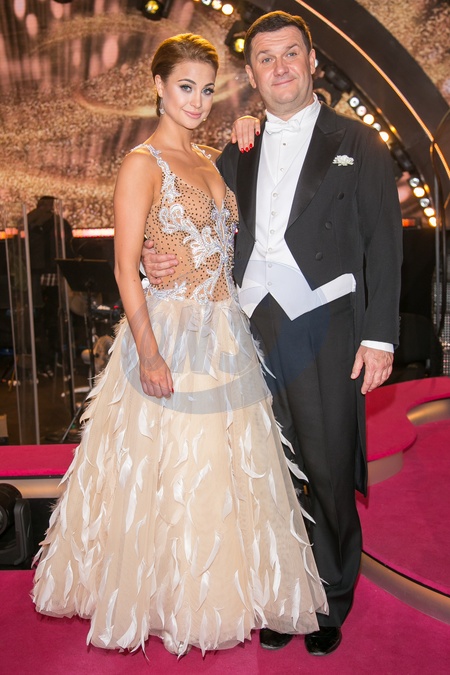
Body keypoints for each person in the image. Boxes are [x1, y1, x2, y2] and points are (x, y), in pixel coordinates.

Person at [32, 33, 327, 657]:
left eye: (207, 89)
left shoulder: (211, 160)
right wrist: (149, 352)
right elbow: (123, 268)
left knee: (225, 475)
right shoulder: (142, 163)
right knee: (167, 473)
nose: (196, 100)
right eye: (185, 87)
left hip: (226, 334)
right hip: (169, 337)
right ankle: (163, 600)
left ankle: (214, 596)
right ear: (159, 88)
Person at [141, 12, 403, 656]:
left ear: (313, 61)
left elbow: (384, 244)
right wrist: (153, 256)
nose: (280, 66)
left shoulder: (359, 141)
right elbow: (201, 224)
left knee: (328, 467)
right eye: (265, 58)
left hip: (326, 326)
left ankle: (331, 596)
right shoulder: (239, 148)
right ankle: (285, 596)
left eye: (291, 53)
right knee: (268, 472)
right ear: (252, 75)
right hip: (249, 327)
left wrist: (381, 337)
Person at [27, 195, 73, 376]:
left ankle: (46, 361)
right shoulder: (57, 223)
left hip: (40, 277)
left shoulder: (29, 222)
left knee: (42, 320)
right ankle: (52, 359)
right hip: (47, 275)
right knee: (50, 319)